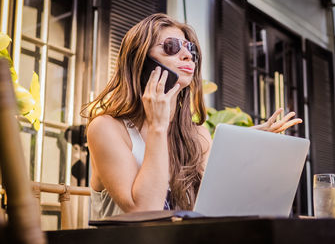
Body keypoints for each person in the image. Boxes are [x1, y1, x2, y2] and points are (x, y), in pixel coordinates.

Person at [82, 13, 302, 220]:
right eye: (171, 47)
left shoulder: (196, 135)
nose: (187, 55)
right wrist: (158, 126)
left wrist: (240, 149)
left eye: (190, 49)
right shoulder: (106, 128)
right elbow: (145, 212)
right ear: (141, 61)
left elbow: (211, 209)